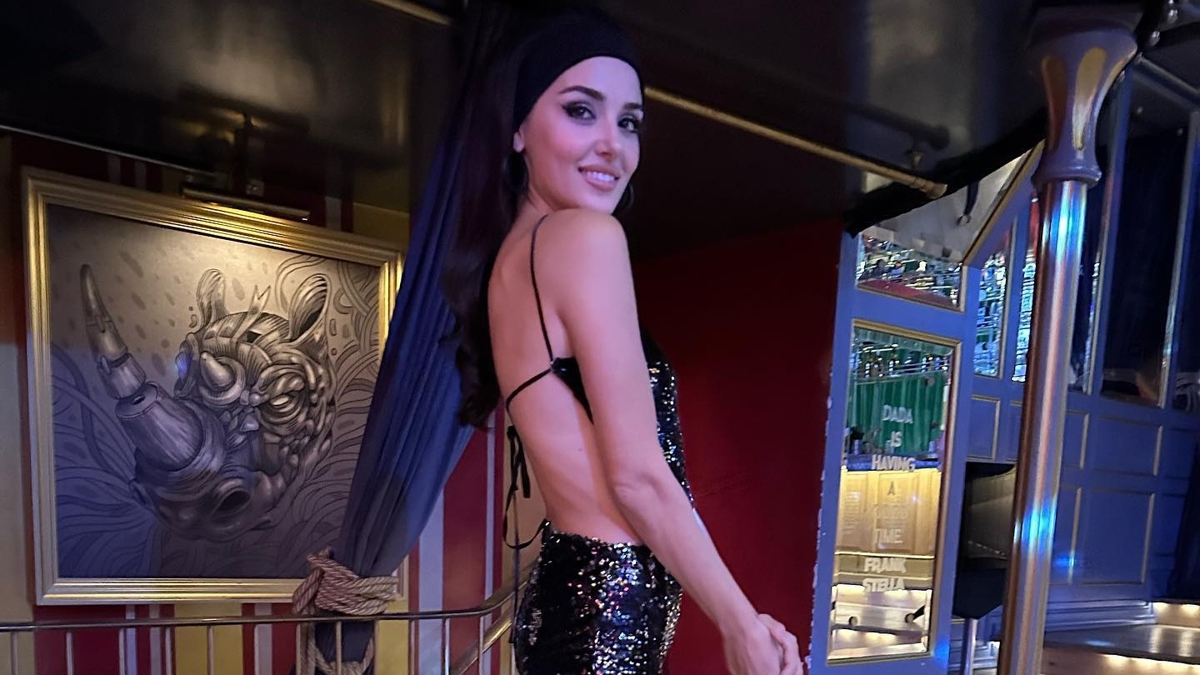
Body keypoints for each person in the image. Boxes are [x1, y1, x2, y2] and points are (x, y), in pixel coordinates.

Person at [443, 8, 802, 674]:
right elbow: (637, 476)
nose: (613, 145)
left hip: (578, 595)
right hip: (604, 609)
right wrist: (740, 624)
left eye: (629, 121)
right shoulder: (584, 238)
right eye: (582, 111)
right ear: (518, 128)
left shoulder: (510, 261)